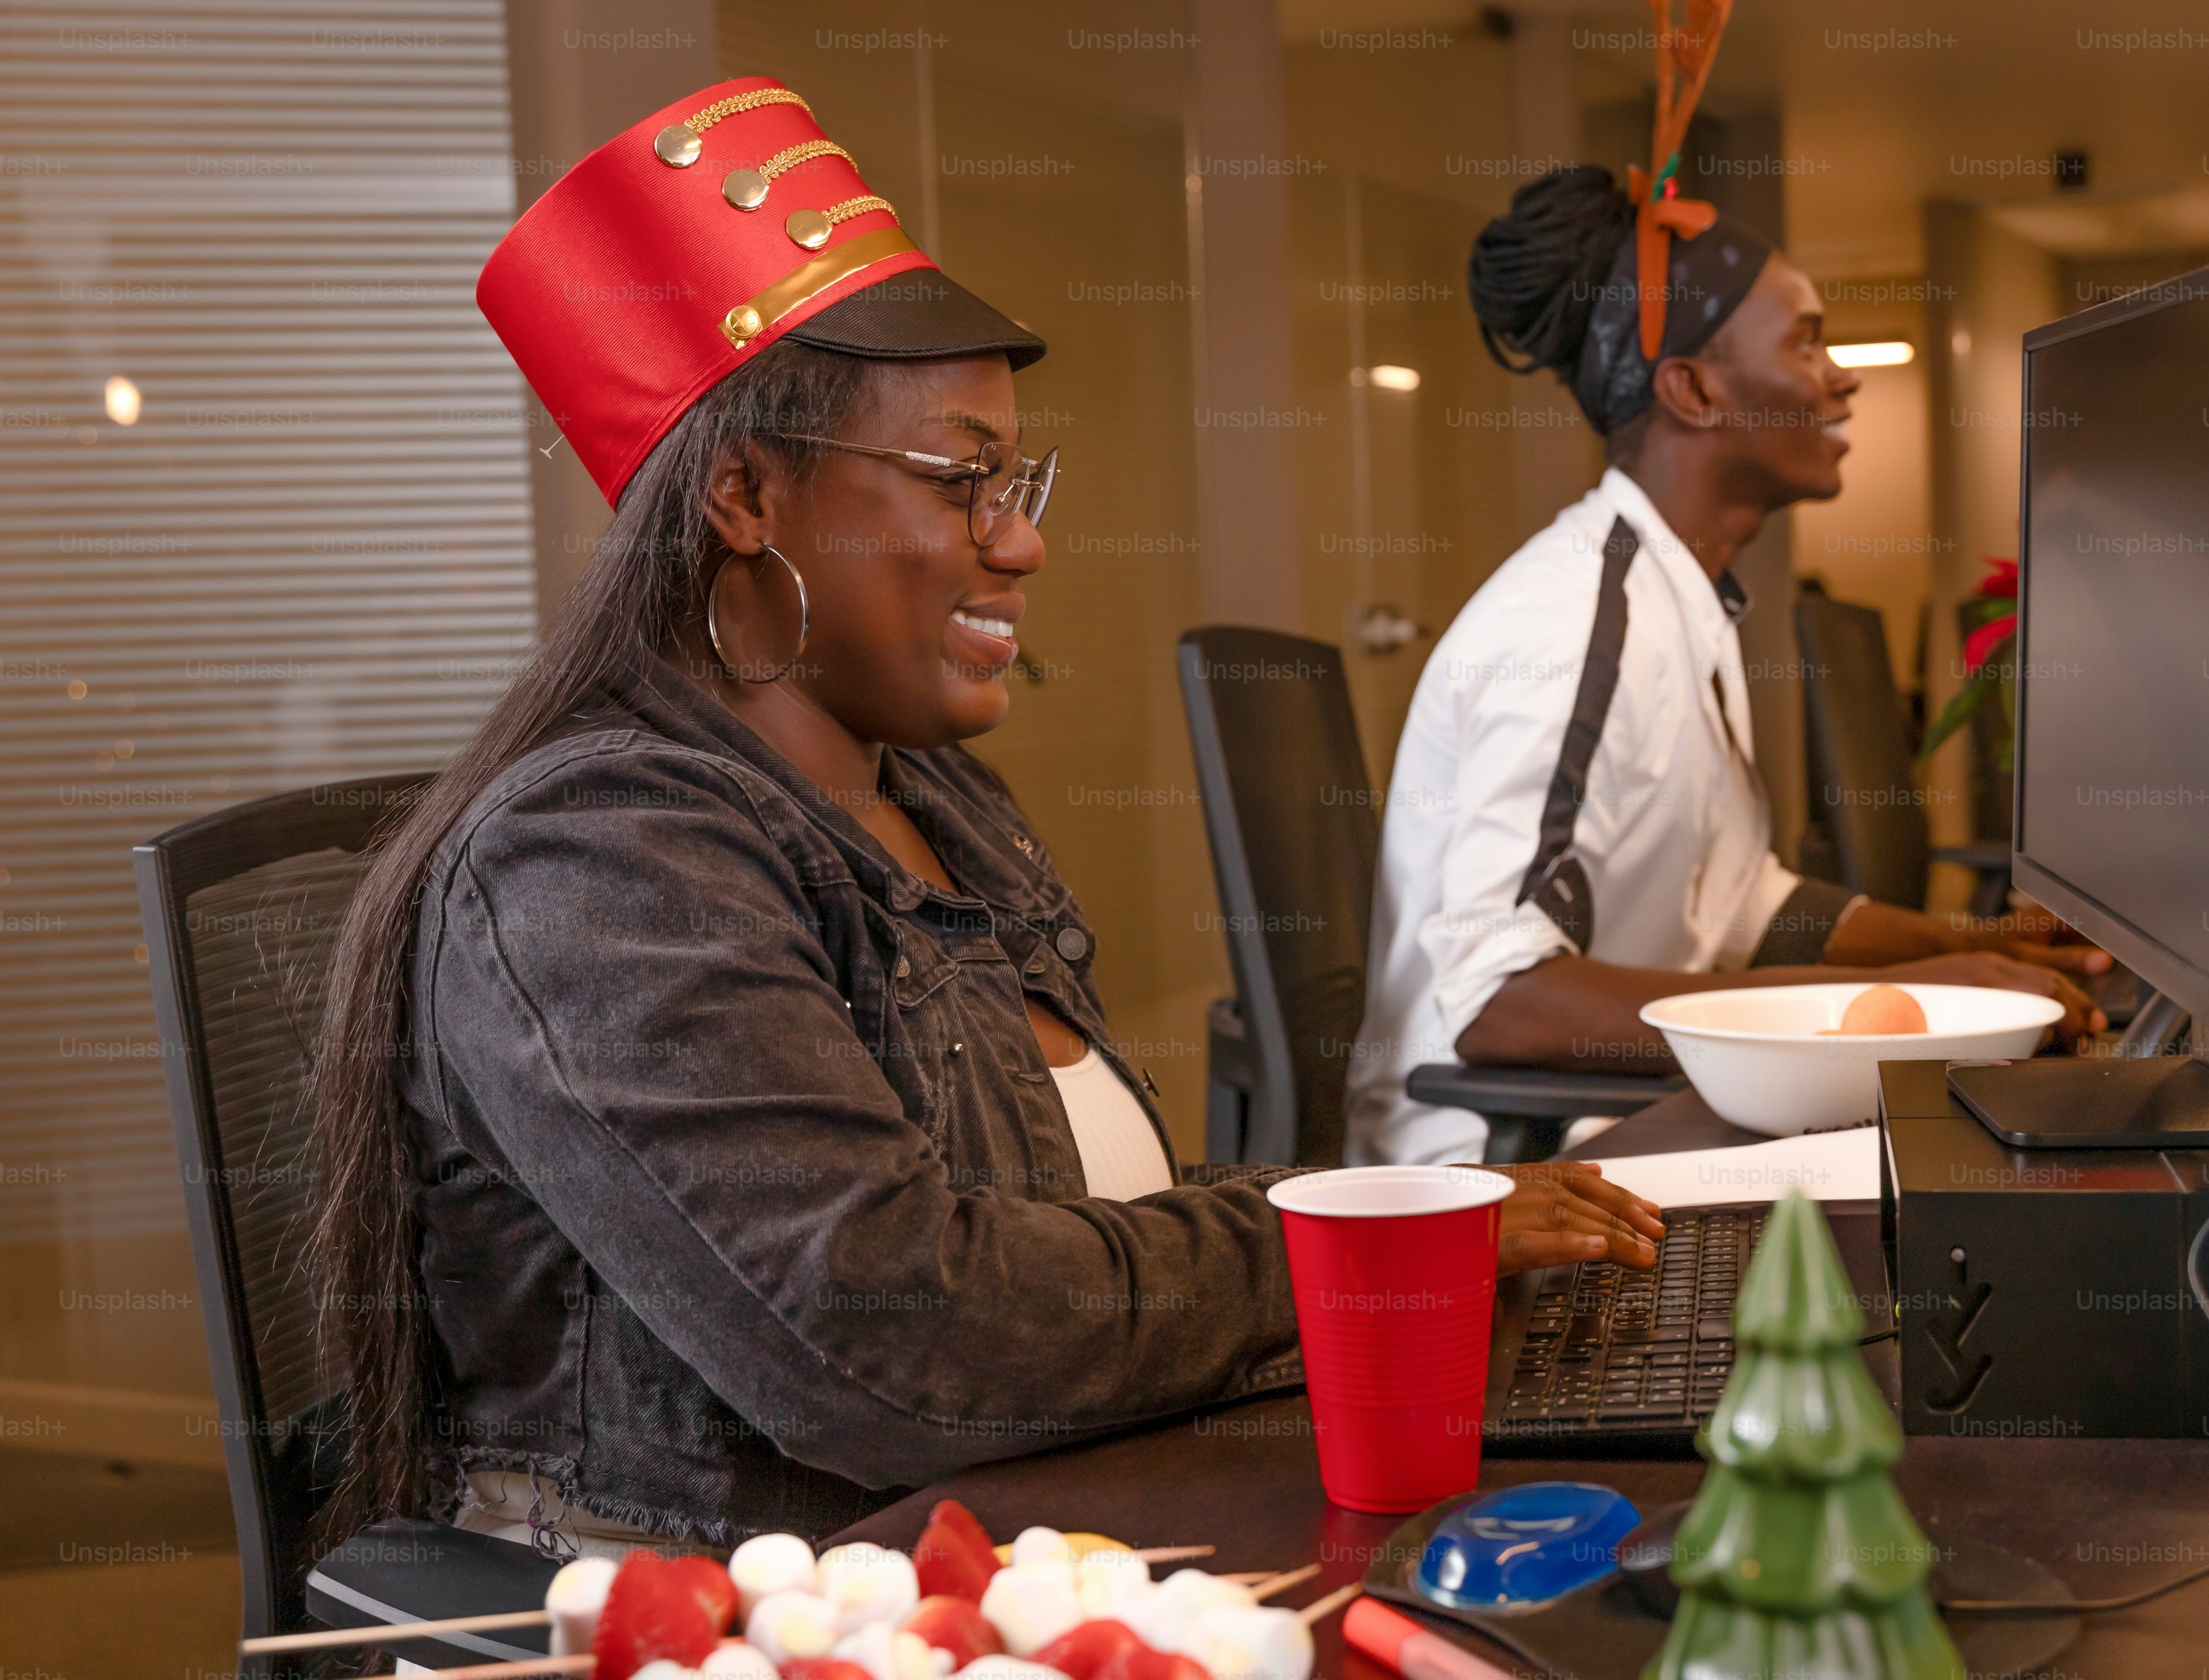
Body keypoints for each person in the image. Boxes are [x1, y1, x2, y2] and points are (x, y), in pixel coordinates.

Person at [306, 80, 1664, 1553]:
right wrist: (1353, 1250)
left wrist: (1408, 1228)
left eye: (1014, 481)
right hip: (754, 1598)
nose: (1020, 542)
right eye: (960, 481)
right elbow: (897, 1342)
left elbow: (1072, 1220)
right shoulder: (596, 865)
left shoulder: (934, 798)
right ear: (744, 495)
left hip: (1014, 1512)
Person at [1345, 166, 2109, 1166]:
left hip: (1627, 1111)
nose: (1843, 375)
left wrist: (1979, 945)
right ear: (1694, 390)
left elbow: (1744, 904)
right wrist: (1906, 1002)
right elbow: (1501, 1002)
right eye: (1806, 338)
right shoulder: (1574, 624)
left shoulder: (1675, 599)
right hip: (1502, 1164)